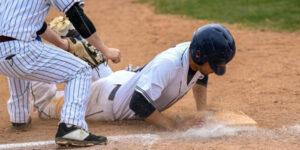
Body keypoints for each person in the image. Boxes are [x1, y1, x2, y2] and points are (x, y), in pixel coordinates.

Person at [31, 23, 236, 130]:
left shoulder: (196, 57)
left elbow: (201, 74)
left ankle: (77, 45)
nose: (216, 69)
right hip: (107, 104)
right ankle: (36, 45)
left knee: (95, 71)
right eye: (215, 64)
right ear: (200, 55)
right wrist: (174, 127)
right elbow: (138, 103)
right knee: (49, 106)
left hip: (122, 82)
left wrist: (202, 110)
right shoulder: (169, 63)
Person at [0, 0, 121, 147]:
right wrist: (105, 50)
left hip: (6, 52)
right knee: (80, 70)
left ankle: (19, 117)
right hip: (20, 49)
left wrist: (63, 44)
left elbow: (34, 25)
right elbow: (76, 15)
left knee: (15, 62)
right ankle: (71, 127)